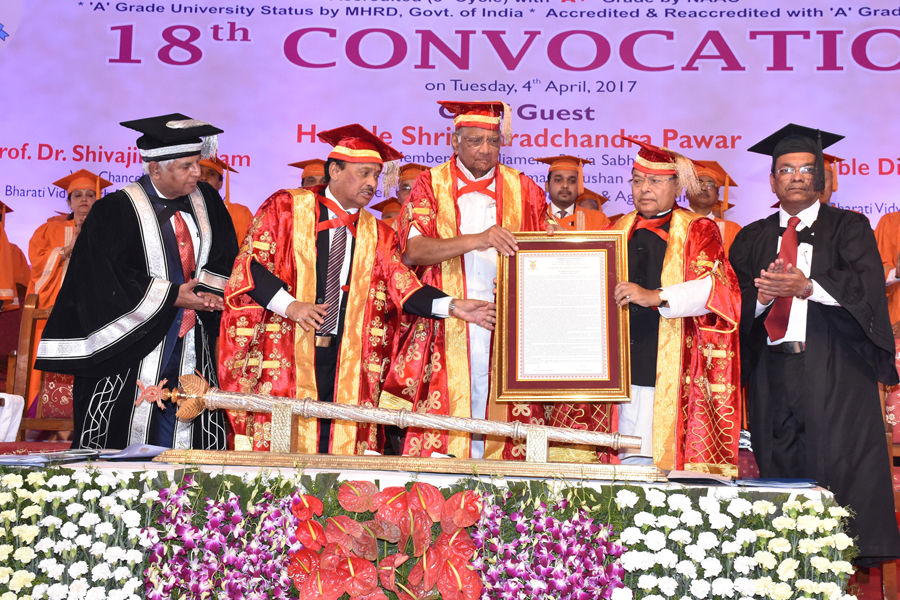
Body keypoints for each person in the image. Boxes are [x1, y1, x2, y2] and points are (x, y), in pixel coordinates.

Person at [218, 124, 495, 455]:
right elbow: (250, 265)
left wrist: (453, 306)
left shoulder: (379, 234)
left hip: (347, 361)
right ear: (335, 170)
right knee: (284, 452)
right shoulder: (286, 207)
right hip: (288, 351)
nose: (372, 184)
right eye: (364, 173)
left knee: (338, 450)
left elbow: (405, 288)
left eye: (376, 175)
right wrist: (291, 306)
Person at [730, 124, 900, 565]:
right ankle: (781, 564)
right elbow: (730, 302)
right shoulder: (751, 236)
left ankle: (835, 565)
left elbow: (867, 289)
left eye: (807, 169)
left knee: (839, 466)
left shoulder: (850, 227)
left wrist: (807, 287)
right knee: (778, 466)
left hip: (835, 367)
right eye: (786, 169)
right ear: (772, 181)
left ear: (821, 179)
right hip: (771, 370)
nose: (797, 176)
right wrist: (762, 297)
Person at [34, 113, 239, 450]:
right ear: (155, 169)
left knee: (190, 418)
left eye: (197, 163)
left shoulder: (207, 200)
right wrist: (171, 296)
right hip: (131, 341)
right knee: (123, 432)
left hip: (192, 337)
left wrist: (208, 293)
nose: (197, 172)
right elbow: (100, 279)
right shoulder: (114, 210)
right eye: (186, 166)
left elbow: (224, 253)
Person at [551, 138, 742, 474]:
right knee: (620, 463)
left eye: (655, 181)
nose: (644, 189)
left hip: (671, 358)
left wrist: (656, 296)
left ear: (677, 186)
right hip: (620, 362)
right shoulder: (616, 228)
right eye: (638, 180)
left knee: (661, 464)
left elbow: (716, 287)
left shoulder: (698, 229)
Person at [393, 100, 551, 460]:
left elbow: (546, 253)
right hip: (448, 322)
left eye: (493, 141)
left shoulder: (525, 188)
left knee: (505, 430)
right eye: (475, 140)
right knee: (449, 429)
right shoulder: (429, 184)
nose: (485, 149)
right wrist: (479, 239)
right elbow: (413, 252)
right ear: (455, 141)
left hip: (509, 328)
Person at [21, 170, 113, 407]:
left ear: (98, 200)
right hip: (54, 307)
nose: (84, 200)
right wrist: (68, 249)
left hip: (96, 311)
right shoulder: (49, 230)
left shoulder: (110, 230)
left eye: (90, 195)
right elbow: (38, 263)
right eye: (78, 195)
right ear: (69, 202)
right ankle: (41, 415)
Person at [536, 155, 609, 231]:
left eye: (572, 181)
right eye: (558, 180)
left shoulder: (598, 220)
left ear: (579, 186)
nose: (565, 185)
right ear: (547, 186)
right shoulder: (534, 219)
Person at [686, 161, 742, 253]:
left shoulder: (732, 230)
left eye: (710, 185)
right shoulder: (672, 222)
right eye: (698, 183)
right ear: (687, 193)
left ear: (717, 198)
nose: (703, 188)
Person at [199, 156, 254, 245]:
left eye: (211, 174)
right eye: (199, 173)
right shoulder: (181, 213)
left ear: (220, 183)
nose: (203, 178)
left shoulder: (239, 213)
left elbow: (247, 250)